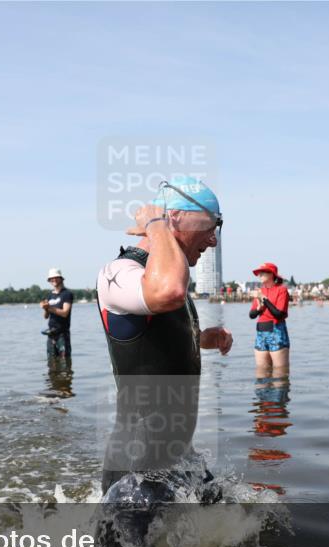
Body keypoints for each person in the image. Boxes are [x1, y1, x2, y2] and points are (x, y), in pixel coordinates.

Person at [95, 176, 231, 505]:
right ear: (175, 218)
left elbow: (153, 339)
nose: (213, 240)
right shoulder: (119, 272)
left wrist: (200, 338)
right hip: (135, 473)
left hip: (180, 456)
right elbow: (166, 291)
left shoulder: (173, 275)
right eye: (211, 226)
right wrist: (156, 226)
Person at [249, 262, 290, 372]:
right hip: (261, 333)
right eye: (259, 273)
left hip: (277, 332)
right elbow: (251, 315)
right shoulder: (260, 291)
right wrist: (259, 309)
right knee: (261, 373)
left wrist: (264, 299)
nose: (260, 275)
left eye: (262, 272)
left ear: (271, 274)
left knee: (280, 373)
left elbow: (279, 314)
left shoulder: (281, 290)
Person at [41, 268, 73, 359]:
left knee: (65, 361)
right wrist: (45, 309)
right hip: (51, 333)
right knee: (51, 361)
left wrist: (49, 308)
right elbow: (45, 317)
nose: (54, 280)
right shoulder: (49, 295)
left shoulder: (67, 294)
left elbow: (65, 313)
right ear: (49, 280)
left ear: (61, 279)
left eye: (56, 278)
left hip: (62, 333)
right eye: (52, 278)